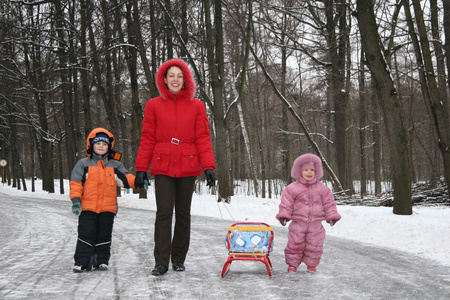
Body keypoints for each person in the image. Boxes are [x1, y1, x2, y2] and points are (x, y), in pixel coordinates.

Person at [134, 58, 216, 276]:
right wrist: (141, 168)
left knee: (183, 214)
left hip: (188, 164)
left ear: (185, 79)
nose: (176, 79)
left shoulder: (197, 106)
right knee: (163, 213)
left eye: (180, 76)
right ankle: (161, 261)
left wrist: (208, 166)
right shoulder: (153, 105)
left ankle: (178, 258)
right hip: (162, 165)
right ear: (164, 79)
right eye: (171, 75)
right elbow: (148, 137)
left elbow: (202, 137)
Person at [70, 128, 136, 272]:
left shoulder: (115, 165)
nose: (101, 146)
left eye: (104, 144)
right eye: (98, 143)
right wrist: (76, 200)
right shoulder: (83, 164)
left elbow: (125, 179)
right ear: (91, 145)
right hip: (88, 208)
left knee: (104, 235)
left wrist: (138, 181)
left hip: (108, 208)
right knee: (86, 234)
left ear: (109, 147)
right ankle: (82, 262)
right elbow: (76, 183)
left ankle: (102, 260)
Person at [276, 153, 341, 273]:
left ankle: (312, 265)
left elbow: (329, 203)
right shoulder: (292, 188)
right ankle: (292, 264)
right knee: (295, 243)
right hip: (298, 223)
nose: (309, 172)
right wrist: (284, 215)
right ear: (299, 171)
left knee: (315, 245)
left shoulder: (322, 189)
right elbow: (286, 203)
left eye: (312, 170)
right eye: (306, 170)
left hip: (316, 224)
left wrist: (331, 215)